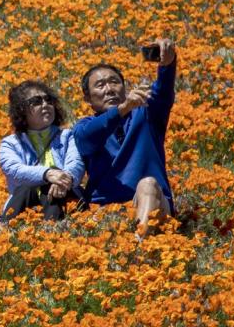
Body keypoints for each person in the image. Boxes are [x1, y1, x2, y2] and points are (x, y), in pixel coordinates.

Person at [72, 39, 177, 237]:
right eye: (100, 85)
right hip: (106, 212)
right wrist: (122, 109)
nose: (109, 89)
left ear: (124, 88)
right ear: (87, 98)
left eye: (114, 82)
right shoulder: (82, 127)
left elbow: (163, 91)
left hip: (151, 203)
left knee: (148, 185)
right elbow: (89, 138)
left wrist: (167, 65)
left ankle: (139, 247)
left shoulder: (147, 113)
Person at [0, 80, 85, 223]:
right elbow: (14, 170)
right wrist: (47, 174)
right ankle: (8, 229)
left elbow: (76, 164)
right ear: (21, 110)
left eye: (48, 100)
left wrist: (62, 180)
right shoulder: (10, 143)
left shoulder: (68, 136)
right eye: (36, 101)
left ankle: (51, 231)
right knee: (28, 185)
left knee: (53, 183)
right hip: (26, 202)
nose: (45, 105)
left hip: (64, 197)